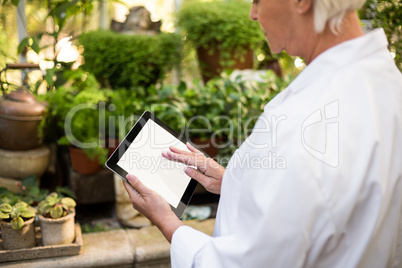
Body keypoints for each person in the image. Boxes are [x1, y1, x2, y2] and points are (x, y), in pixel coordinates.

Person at [123, 0, 402, 266]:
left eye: (258, 0)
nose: (252, 14)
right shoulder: (388, 84)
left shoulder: (302, 124)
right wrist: (232, 182)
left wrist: (166, 221)